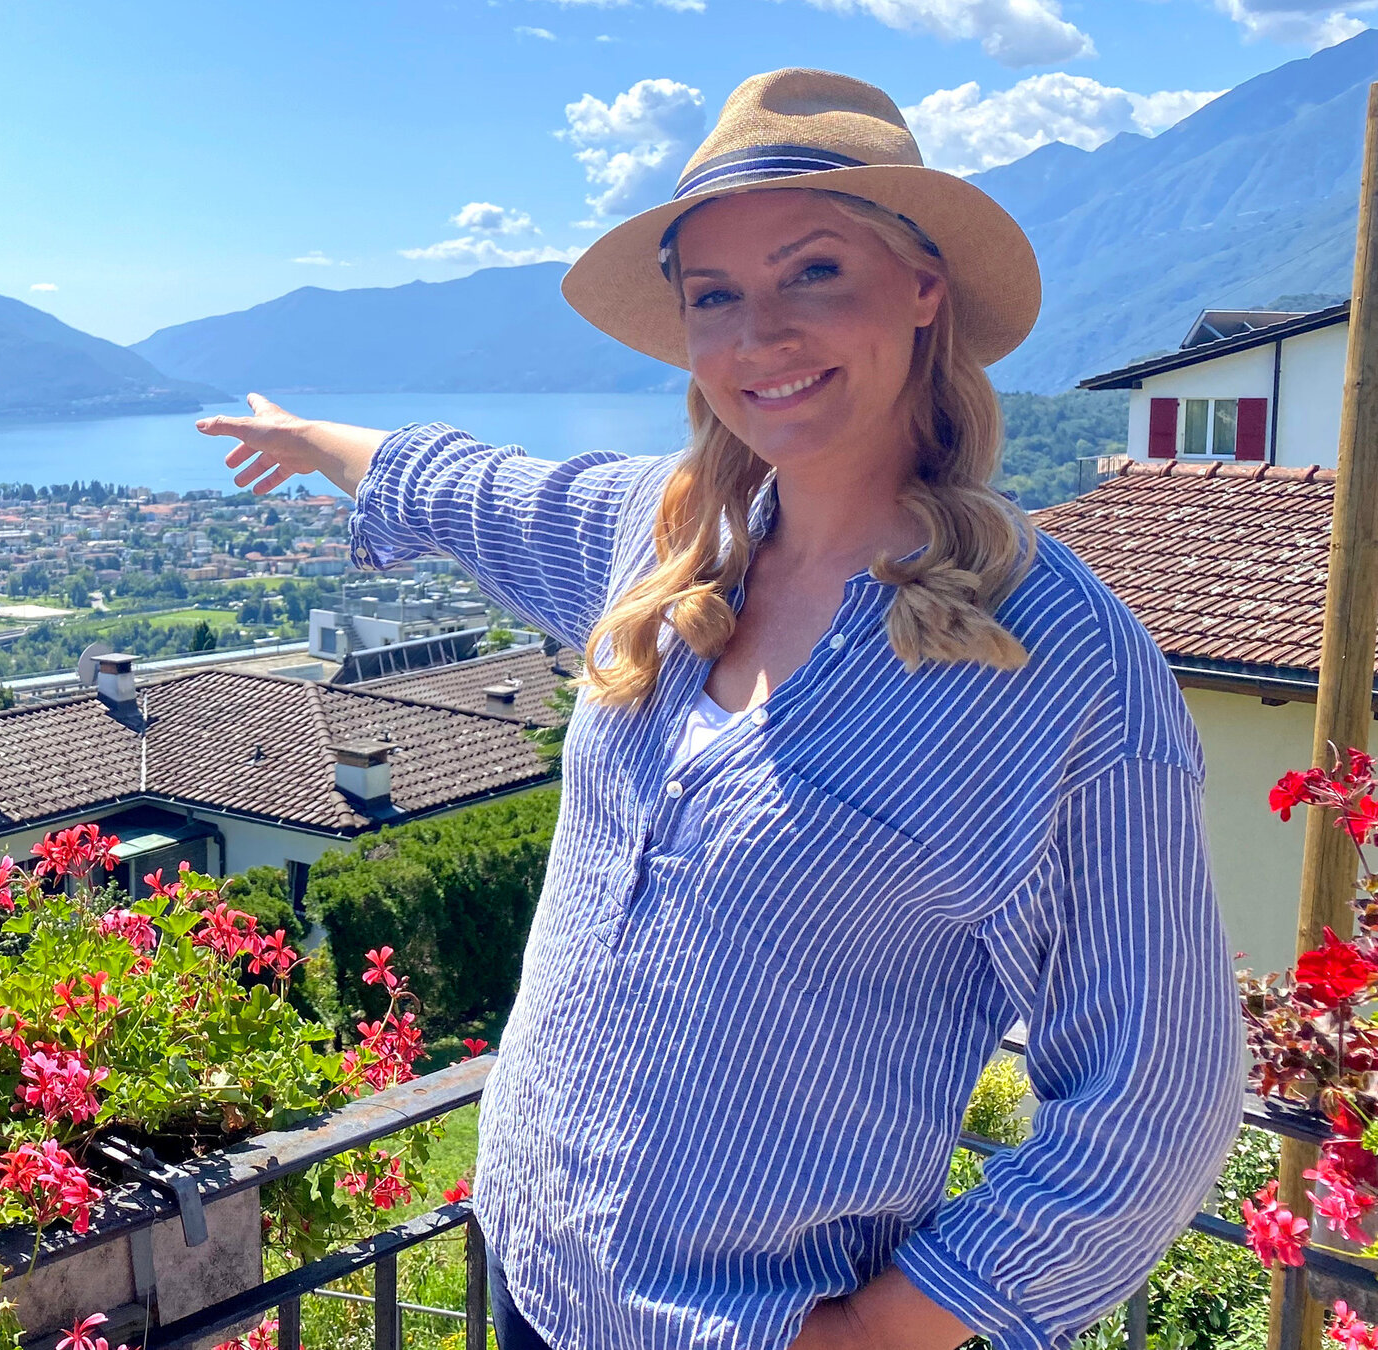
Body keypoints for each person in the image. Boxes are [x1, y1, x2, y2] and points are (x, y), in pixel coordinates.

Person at [198, 69, 1241, 1350]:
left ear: (923, 290)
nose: (758, 337)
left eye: (813, 273)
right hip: (527, 1279)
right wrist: (316, 440)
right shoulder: (664, 536)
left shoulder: (1055, 666)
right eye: (714, 296)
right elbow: (475, 486)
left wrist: (880, 1335)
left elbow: (1159, 1098)